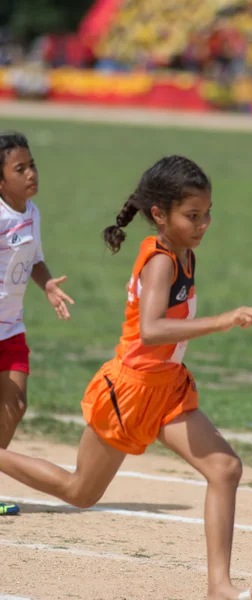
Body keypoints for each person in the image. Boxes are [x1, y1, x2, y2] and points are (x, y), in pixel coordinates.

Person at [0, 155, 252, 600]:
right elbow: (152, 329)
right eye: (193, 215)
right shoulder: (160, 260)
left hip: (166, 387)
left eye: (207, 214)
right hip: (131, 390)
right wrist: (223, 320)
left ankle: (219, 587)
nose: (203, 224)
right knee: (79, 490)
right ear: (160, 214)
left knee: (224, 469)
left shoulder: (182, 252)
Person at [0, 132, 74, 516]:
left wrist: (46, 284)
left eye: (32, 165)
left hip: (10, 327)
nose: (31, 173)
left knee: (15, 405)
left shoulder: (31, 212)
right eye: (19, 168)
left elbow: (35, 258)